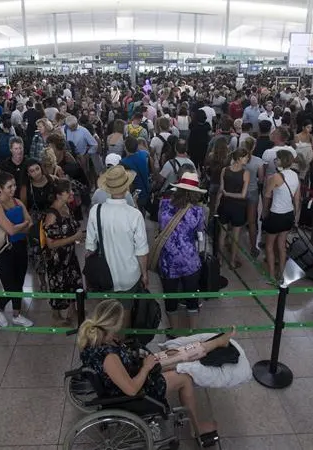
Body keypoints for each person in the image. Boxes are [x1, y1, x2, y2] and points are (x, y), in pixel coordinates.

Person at [77, 299, 220, 441]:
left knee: (171, 364)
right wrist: (146, 367)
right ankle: (196, 429)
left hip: (126, 377)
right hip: (135, 394)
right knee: (185, 378)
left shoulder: (94, 340)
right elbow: (131, 390)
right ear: (115, 324)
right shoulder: (109, 357)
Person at [86, 165, 149, 322]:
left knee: (107, 315)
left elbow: (90, 248)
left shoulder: (96, 211)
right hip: (130, 276)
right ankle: (123, 343)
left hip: (104, 275)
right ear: (127, 186)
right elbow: (141, 251)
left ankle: (108, 343)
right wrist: (145, 274)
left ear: (107, 188)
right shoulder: (135, 215)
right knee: (125, 312)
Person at [158, 171, 206, 330]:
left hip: (168, 261)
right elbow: (200, 235)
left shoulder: (164, 204)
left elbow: (160, 227)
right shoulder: (198, 211)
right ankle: (193, 332)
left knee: (170, 299)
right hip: (190, 261)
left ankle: (174, 331)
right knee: (192, 297)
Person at [0, 170, 34, 327]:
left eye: (14, 185)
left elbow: (29, 222)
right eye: (9, 186)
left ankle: (16, 314)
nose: (13, 189)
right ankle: (0, 309)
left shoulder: (17, 202)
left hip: (20, 246)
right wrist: (23, 225)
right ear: (0, 188)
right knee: (9, 285)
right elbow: (11, 230)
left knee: (19, 282)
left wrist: (21, 226)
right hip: (4, 250)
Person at [43, 178, 84, 326]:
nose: (72, 193)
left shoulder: (66, 208)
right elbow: (51, 244)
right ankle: (56, 315)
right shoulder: (52, 215)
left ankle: (73, 311)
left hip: (70, 256)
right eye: (68, 191)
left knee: (74, 283)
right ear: (59, 195)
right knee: (58, 286)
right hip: (57, 259)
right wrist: (74, 237)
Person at [262, 150, 300, 285]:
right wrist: (295, 216)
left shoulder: (276, 177)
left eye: (277, 159)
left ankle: (271, 275)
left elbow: (267, 195)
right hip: (288, 214)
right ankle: (281, 275)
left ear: (282, 161)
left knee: (269, 245)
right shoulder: (295, 176)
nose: (275, 161)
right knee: (282, 246)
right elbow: (297, 199)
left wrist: (264, 212)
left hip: (276, 214)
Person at [216, 149, 251, 268]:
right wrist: (229, 194)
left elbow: (221, 190)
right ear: (239, 158)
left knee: (222, 234)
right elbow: (243, 195)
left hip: (224, 205)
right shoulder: (245, 173)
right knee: (236, 236)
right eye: (245, 157)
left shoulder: (224, 170)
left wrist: (216, 206)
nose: (247, 159)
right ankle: (232, 261)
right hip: (238, 207)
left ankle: (219, 260)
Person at [120, 136, 152, 211]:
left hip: (134, 194)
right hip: (146, 191)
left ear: (125, 148)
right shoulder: (144, 154)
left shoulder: (123, 162)